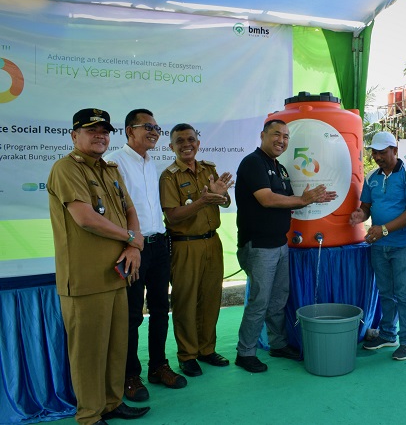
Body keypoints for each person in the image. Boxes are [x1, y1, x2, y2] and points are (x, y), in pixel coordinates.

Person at [47, 108, 150, 424]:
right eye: (92, 131)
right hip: (85, 280)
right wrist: (132, 237)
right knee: (88, 353)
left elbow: (129, 208)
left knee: (116, 348)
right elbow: (86, 218)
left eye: (104, 131)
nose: (100, 136)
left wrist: (132, 243)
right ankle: (90, 415)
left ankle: (111, 402)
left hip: (117, 276)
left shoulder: (110, 169)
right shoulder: (66, 168)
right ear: (74, 135)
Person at [234, 119, 337, 373]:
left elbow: (291, 200)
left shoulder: (279, 168)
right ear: (263, 135)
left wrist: (313, 199)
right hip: (258, 245)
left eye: (286, 136)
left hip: (280, 244)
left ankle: (278, 344)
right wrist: (303, 199)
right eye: (276, 134)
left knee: (278, 299)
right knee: (260, 300)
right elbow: (267, 199)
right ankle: (245, 352)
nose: (281, 140)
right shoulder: (253, 162)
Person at [104, 109, 187, 402]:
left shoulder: (151, 163)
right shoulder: (114, 162)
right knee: (131, 316)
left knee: (161, 310)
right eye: (147, 126)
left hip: (159, 243)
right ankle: (130, 375)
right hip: (133, 249)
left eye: (157, 127)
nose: (154, 131)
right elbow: (116, 212)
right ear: (129, 131)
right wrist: (130, 245)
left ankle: (158, 367)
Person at [159, 123, 234, 377]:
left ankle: (206, 349)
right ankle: (187, 354)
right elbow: (173, 216)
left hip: (212, 242)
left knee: (211, 298)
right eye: (179, 141)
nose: (186, 144)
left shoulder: (209, 170)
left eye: (190, 139)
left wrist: (221, 196)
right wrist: (203, 201)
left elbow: (224, 202)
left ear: (198, 143)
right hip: (185, 245)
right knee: (185, 302)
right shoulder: (169, 176)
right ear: (171, 147)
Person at [350, 131, 406, 361]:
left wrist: (383, 230)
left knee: (404, 293)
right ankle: (388, 334)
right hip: (378, 244)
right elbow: (367, 207)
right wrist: (359, 215)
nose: (377, 157)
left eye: (382, 152)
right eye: (374, 152)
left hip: (403, 244)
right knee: (385, 292)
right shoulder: (372, 176)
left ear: (395, 150)